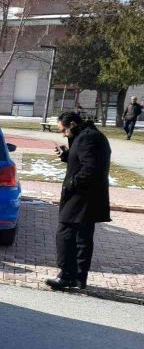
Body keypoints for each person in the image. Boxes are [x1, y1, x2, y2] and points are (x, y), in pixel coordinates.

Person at [46, 111, 111, 291]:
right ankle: (78, 279)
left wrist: (72, 184)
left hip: (81, 197)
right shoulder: (88, 136)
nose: (64, 134)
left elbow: (90, 169)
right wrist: (66, 155)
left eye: (64, 130)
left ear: (73, 124)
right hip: (88, 197)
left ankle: (66, 276)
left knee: (66, 234)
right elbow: (83, 160)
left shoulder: (87, 138)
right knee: (82, 237)